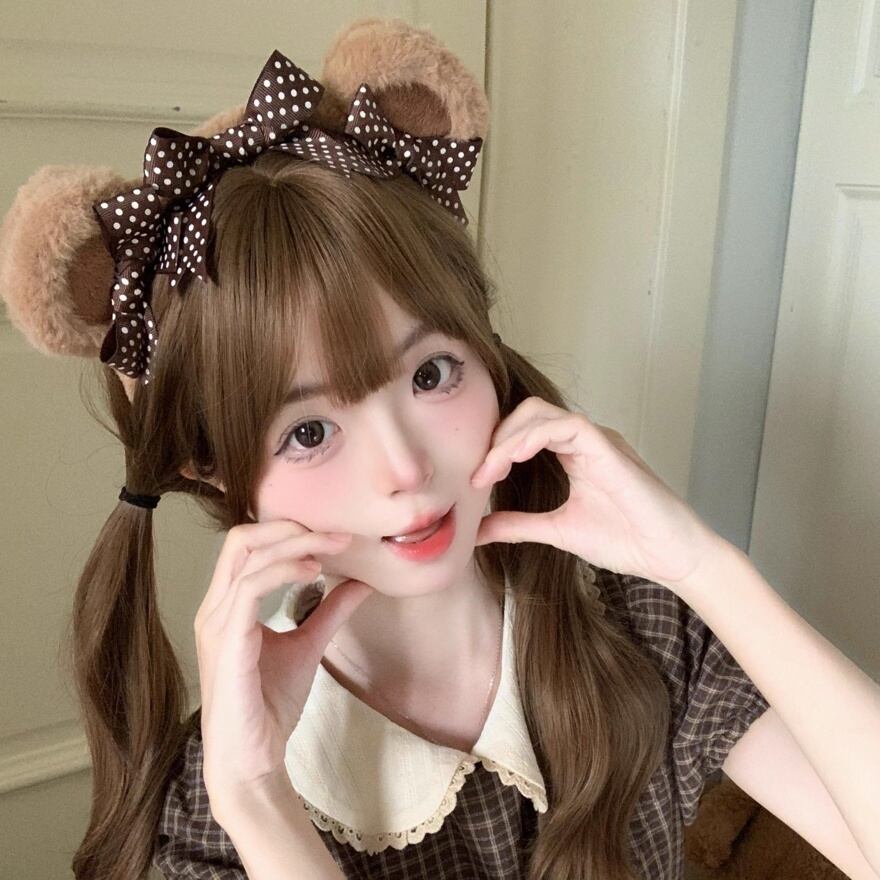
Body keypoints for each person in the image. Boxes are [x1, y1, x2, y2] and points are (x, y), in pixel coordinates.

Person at [6, 17, 877, 880]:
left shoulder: (634, 626)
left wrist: (701, 565)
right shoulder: (217, 808)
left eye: (431, 374)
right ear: (211, 464)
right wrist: (260, 801)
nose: (407, 469)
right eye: (309, 432)